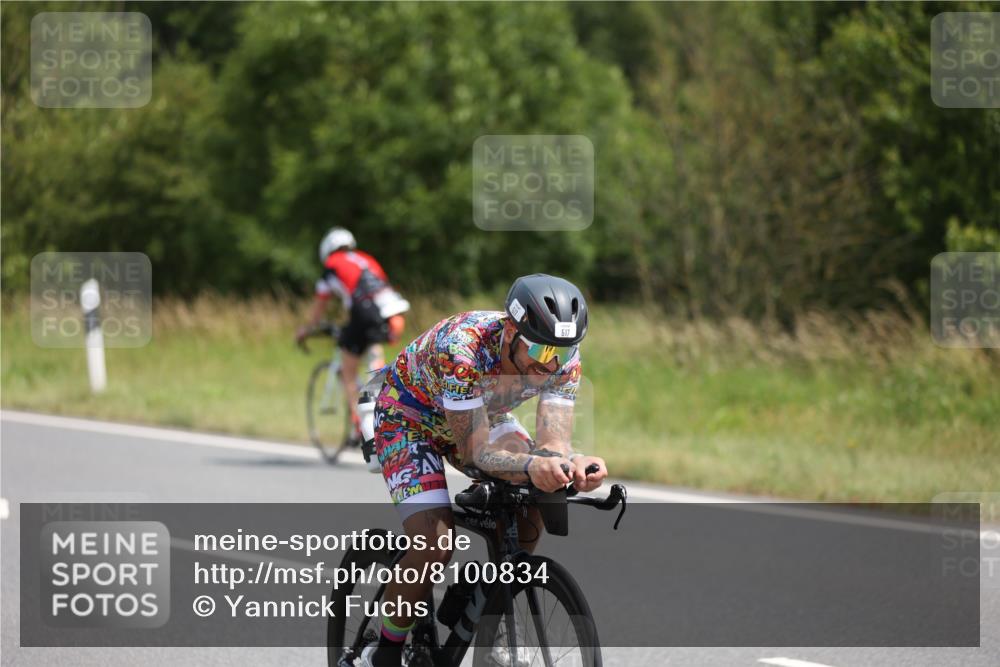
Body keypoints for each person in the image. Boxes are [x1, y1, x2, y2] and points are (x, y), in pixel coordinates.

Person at [361, 273, 607, 667]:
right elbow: (475, 452)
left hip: (482, 415)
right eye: (541, 351)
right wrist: (531, 464)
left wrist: (571, 465)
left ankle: (492, 598)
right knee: (435, 543)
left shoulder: (564, 359)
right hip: (410, 420)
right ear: (510, 331)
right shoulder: (463, 350)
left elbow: (553, 443)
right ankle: (384, 649)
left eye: (563, 351)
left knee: (534, 500)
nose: (553, 363)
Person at [296, 227, 409, 441]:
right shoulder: (366, 259)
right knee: (374, 358)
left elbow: (321, 304)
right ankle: (381, 400)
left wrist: (307, 330)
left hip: (364, 311)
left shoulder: (332, 265)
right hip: (391, 311)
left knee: (348, 371)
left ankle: (359, 426)